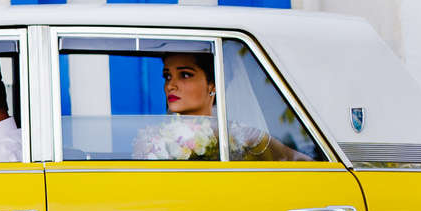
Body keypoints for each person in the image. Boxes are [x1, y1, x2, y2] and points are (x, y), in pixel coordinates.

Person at [131, 53, 309, 161]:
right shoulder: (150, 140)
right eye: (167, 76)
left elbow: (304, 163)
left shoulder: (240, 136)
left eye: (185, 75)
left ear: (213, 85)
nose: (171, 85)